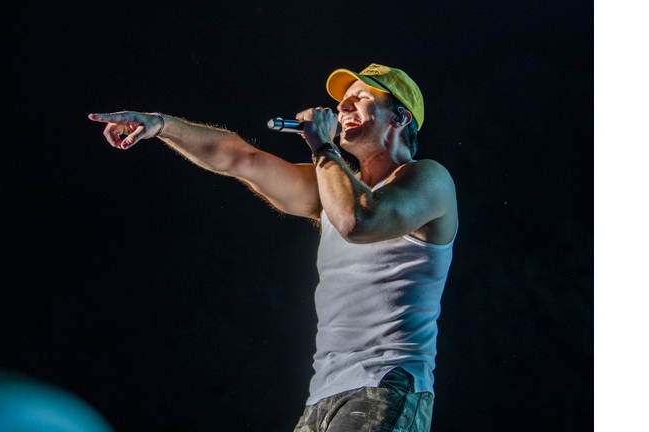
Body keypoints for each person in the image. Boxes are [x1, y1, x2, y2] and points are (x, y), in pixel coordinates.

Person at [89, 63, 457, 432]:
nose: (343, 107)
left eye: (361, 98)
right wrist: (161, 125)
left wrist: (323, 145)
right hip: (324, 393)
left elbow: (357, 221)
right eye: (342, 101)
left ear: (399, 118)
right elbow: (241, 158)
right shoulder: (333, 186)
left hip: (387, 383)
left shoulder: (428, 178)